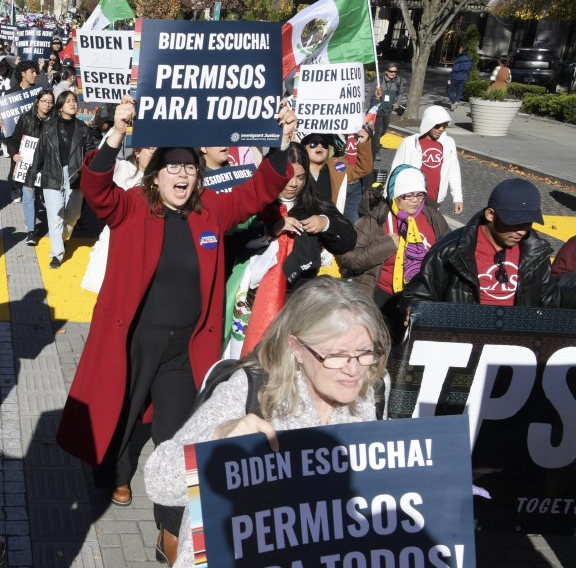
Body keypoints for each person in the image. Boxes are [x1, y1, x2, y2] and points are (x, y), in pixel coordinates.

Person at [56, 98, 295, 521]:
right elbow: (95, 188)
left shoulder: (212, 210)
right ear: (155, 175)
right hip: (134, 340)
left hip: (185, 348)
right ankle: (116, 474)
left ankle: (170, 521)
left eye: (189, 168)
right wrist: (117, 133)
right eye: (173, 167)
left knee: (179, 429)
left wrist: (281, 146)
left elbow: (258, 191)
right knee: (122, 414)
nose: (182, 175)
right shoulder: (131, 206)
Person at [144, 278, 391, 566]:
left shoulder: (373, 388)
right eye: (336, 355)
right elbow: (158, 482)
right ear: (296, 348)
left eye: (365, 352)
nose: (353, 369)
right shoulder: (252, 390)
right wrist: (215, 439)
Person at [235, 142, 356, 351]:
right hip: (257, 299)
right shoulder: (254, 201)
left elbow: (348, 240)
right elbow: (235, 241)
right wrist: (270, 231)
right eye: (288, 177)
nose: (293, 184)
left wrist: (325, 223)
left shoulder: (313, 204)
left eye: (300, 177)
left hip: (300, 300)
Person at [401, 177, 562, 313]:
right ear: (490, 215)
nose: (522, 231)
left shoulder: (537, 253)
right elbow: (417, 295)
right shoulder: (449, 251)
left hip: (518, 339)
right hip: (464, 337)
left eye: (528, 223)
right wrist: (413, 309)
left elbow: (550, 303)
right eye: (514, 223)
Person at [338, 165, 448, 342]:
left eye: (419, 194)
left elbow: (448, 252)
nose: (415, 201)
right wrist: (385, 246)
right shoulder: (375, 220)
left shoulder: (432, 218)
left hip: (420, 297)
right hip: (381, 296)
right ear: (395, 195)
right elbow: (348, 258)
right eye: (408, 195)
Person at [37, 90, 99, 268]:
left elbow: (90, 150)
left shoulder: (83, 128)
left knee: (73, 216)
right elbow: (39, 152)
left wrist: (90, 166)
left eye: (74, 101)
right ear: (60, 106)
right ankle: (57, 254)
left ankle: (63, 239)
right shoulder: (48, 127)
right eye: (68, 101)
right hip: (52, 173)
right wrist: (31, 177)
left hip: (75, 174)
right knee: (55, 215)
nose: (72, 104)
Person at [81, 145, 155, 293]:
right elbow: (97, 165)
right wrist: (116, 134)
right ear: (137, 152)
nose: (155, 153)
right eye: (151, 148)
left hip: (145, 253)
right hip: (115, 250)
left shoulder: (163, 178)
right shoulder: (124, 169)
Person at [390, 105, 463, 214]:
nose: (441, 129)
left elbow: (453, 170)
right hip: (411, 199)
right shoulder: (409, 142)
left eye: (444, 126)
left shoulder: (449, 143)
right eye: (437, 126)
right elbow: (395, 170)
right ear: (429, 123)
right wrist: (389, 196)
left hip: (435, 200)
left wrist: (457, 198)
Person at [4, 90, 54, 246]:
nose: (47, 104)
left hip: (48, 166)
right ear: (37, 102)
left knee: (41, 197)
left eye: (50, 102)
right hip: (28, 166)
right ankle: (31, 231)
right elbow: (13, 140)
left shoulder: (56, 121)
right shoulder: (26, 118)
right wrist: (14, 154)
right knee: (28, 194)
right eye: (44, 101)